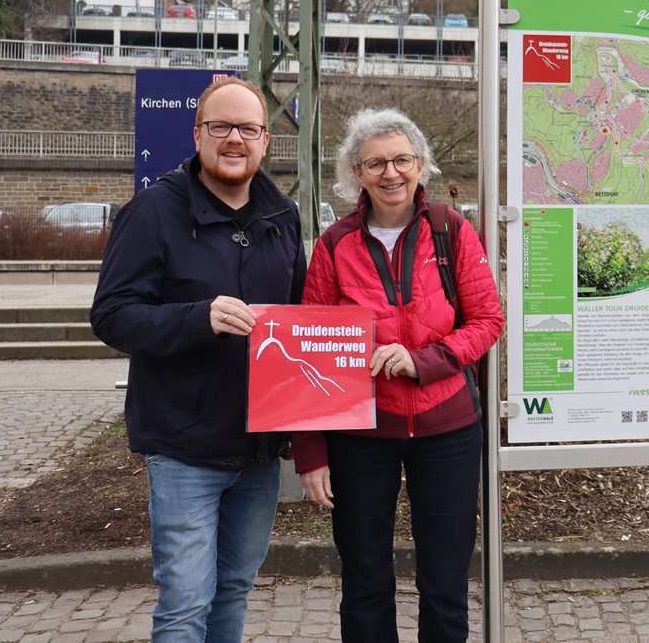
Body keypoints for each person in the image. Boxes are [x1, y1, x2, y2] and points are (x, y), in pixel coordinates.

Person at [90, 77, 307, 641]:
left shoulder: (282, 216)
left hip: (259, 450)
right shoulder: (152, 212)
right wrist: (196, 318)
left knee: (234, 590)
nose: (235, 139)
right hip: (184, 447)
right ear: (197, 135)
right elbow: (111, 315)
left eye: (249, 129)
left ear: (266, 142)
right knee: (186, 605)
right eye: (221, 127)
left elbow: (302, 317)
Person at [293, 107, 504, 641]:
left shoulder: (453, 231)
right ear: (355, 174)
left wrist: (423, 361)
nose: (391, 173)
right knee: (364, 582)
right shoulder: (333, 245)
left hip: (448, 429)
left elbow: (488, 320)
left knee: (446, 584)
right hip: (362, 433)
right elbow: (309, 350)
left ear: (421, 165)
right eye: (376, 164)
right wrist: (311, 451)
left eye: (402, 160)